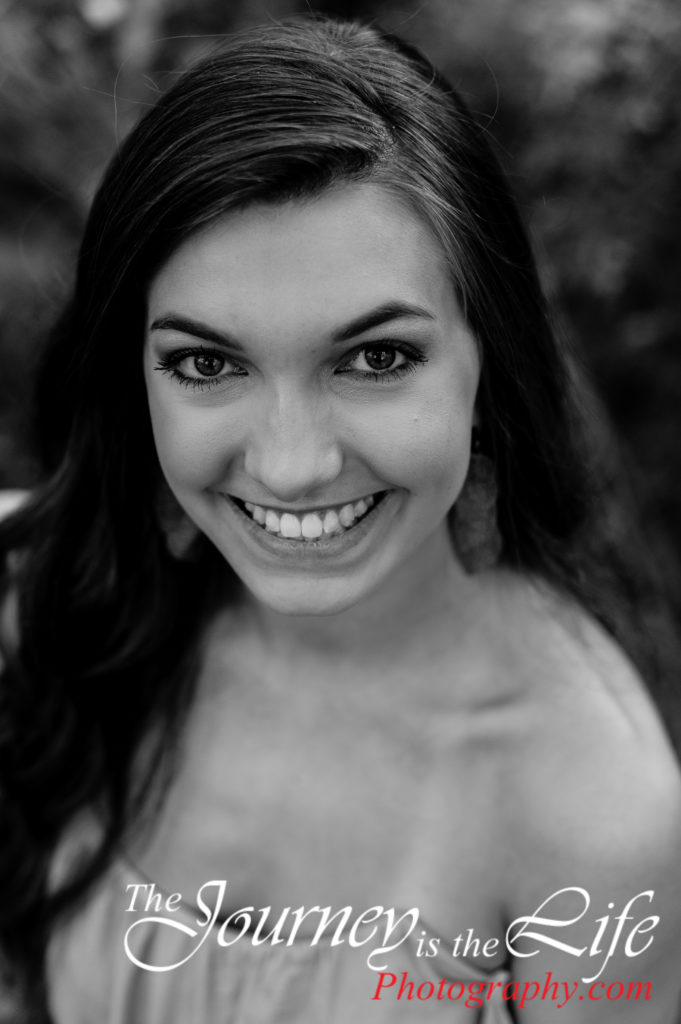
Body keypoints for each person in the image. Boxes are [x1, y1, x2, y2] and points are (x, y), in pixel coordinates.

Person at [1, 15, 680, 1024]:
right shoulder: (45, 603)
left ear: (486, 362)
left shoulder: (593, 819)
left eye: (375, 359)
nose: (292, 466)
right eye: (207, 363)